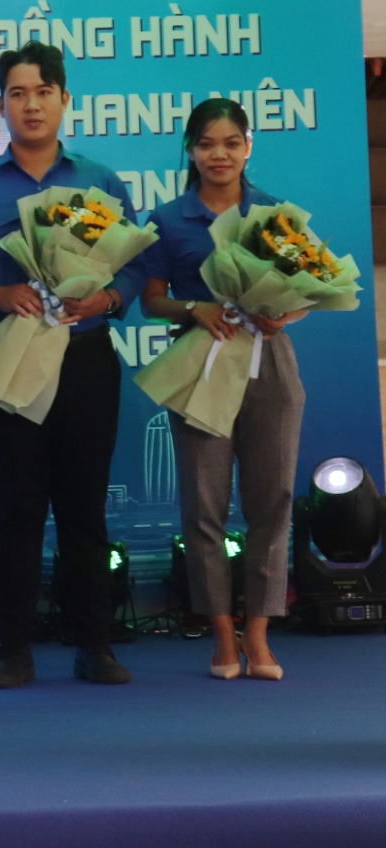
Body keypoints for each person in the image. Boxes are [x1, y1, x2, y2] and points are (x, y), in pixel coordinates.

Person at [0, 41, 144, 690]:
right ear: (0, 104)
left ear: (64, 101)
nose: (31, 104)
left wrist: (106, 297)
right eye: (17, 93)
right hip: (10, 357)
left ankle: (94, 645)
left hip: (84, 359)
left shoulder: (99, 182)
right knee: (18, 509)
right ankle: (12, 648)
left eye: (43, 92)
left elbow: (133, 266)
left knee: (84, 510)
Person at [141, 98, 306, 682]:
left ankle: (259, 635)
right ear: (190, 150)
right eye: (207, 144)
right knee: (204, 507)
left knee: (272, 503)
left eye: (231, 143)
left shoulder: (274, 213)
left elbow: (309, 285)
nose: (219, 154)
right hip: (200, 366)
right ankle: (220, 637)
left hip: (270, 367)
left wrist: (285, 315)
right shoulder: (169, 217)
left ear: (248, 146)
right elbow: (151, 299)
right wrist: (195, 307)